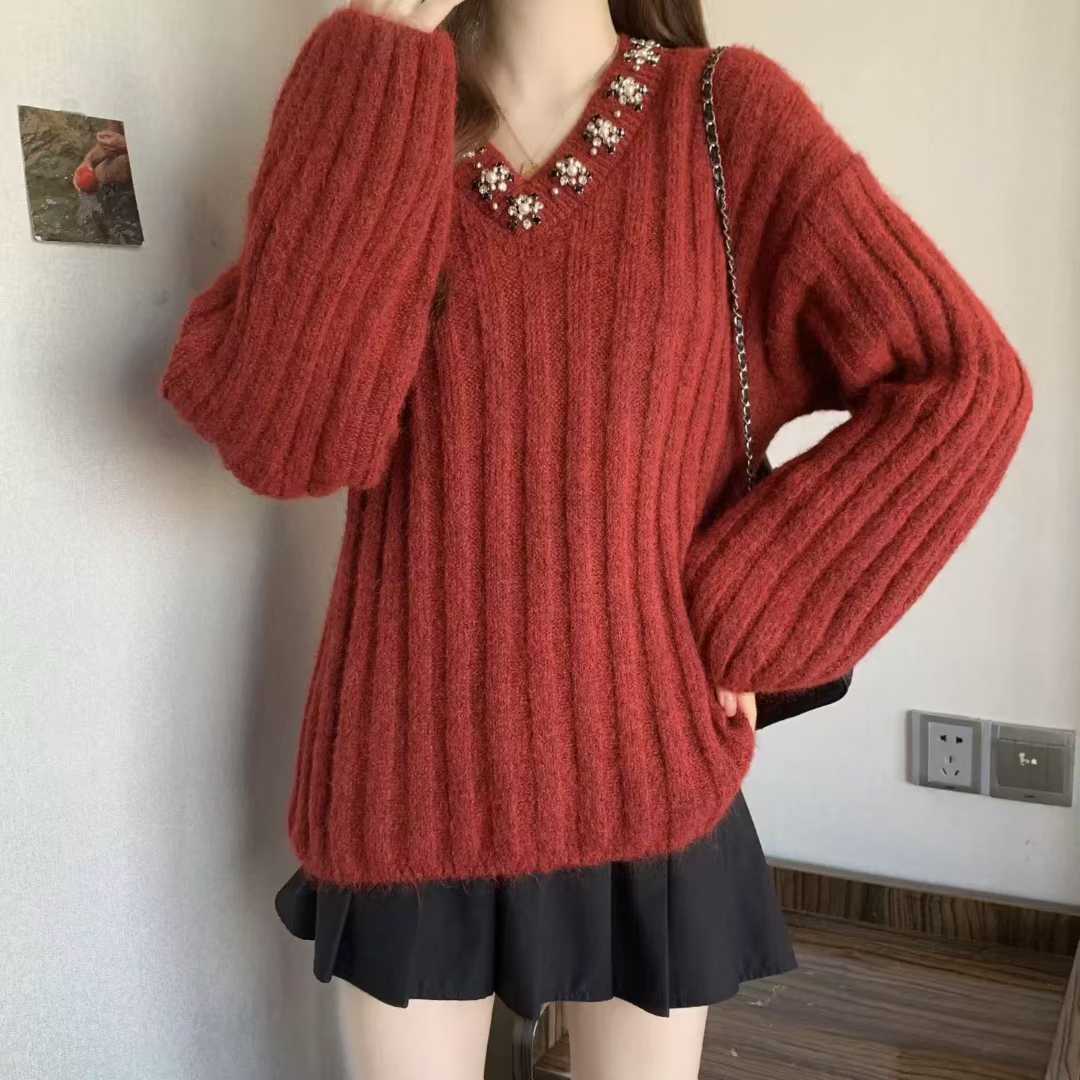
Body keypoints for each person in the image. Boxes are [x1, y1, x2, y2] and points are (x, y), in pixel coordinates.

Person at [157, 1, 1034, 1077]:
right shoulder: (379, 109)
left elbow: (963, 382)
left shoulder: (726, 119)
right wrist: (373, 64)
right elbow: (287, 441)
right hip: (402, 775)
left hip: (649, 771)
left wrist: (761, 609)